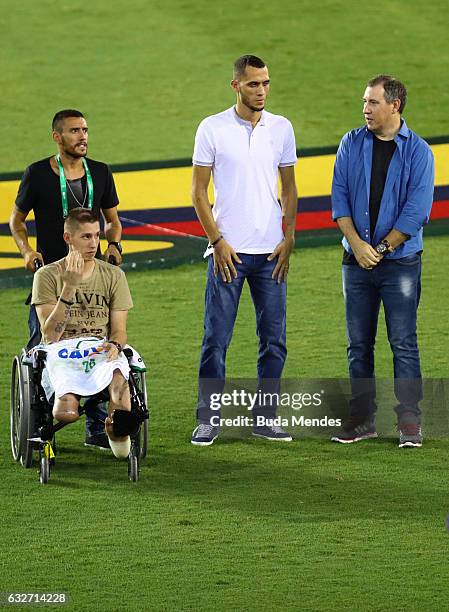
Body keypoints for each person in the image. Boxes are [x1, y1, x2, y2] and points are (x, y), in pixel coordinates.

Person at [190, 54, 298, 445]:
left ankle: (265, 417)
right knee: (216, 340)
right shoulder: (212, 128)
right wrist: (217, 241)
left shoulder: (281, 129)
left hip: (271, 254)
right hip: (228, 254)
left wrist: (289, 237)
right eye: (254, 83)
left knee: (275, 341)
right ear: (236, 85)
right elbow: (198, 193)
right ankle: (208, 418)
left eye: (266, 82)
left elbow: (289, 188)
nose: (262, 90)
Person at [9, 109, 123, 450]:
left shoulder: (100, 172)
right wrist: (27, 252)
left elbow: (113, 220)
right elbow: (16, 222)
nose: (82, 136)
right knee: (41, 348)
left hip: (93, 278)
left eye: (85, 130)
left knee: (98, 344)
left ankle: (97, 428)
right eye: (74, 131)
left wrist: (114, 244)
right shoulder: (37, 174)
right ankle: (40, 423)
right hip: (50, 279)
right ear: (57, 137)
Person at [331, 74, 434, 448]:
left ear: (395, 105)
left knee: (403, 341)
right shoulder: (350, 143)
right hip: (355, 259)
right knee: (358, 344)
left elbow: (417, 212)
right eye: (364, 102)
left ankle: (409, 420)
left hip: (400, 262)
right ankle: (362, 419)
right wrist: (358, 246)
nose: (365, 109)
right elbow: (339, 199)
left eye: (372, 103)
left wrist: (382, 250)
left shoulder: (419, 152)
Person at [31, 208, 133, 459]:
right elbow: (50, 335)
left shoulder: (113, 275)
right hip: (62, 350)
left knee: (120, 376)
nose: (94, 243)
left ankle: (118, 434)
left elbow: (119, 330)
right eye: (86, 237)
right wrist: (70, 287)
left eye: (97, 236)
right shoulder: (46, 276)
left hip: (101, 348)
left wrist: (116, 345)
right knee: (65, 413)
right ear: (68, 238)